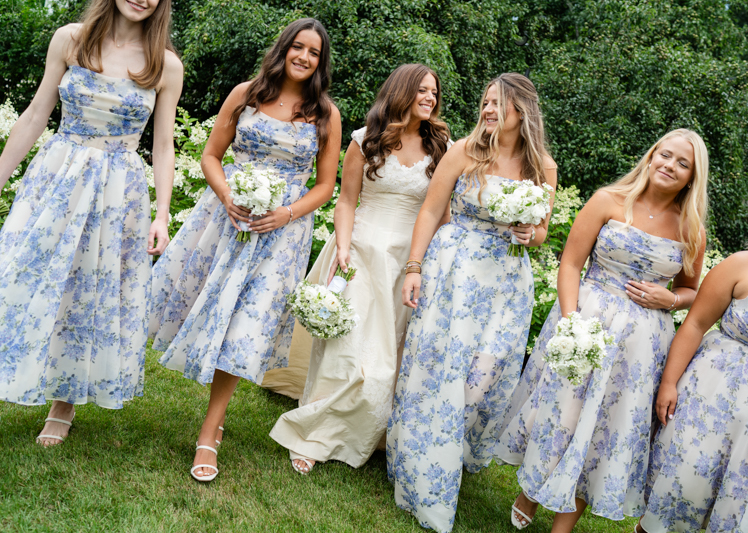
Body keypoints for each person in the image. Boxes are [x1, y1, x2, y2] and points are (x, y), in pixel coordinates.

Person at [147, 18, 341, 482]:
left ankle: (210, 431)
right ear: (284, 49)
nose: (304, 57)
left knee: (245, 325)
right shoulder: (246, 93)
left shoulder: (324, 114)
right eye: (298, 47)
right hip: (227, 217)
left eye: (314, 52)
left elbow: (326, 184)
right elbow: (211, 154)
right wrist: (228, 196)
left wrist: (287, 213)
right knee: (191, 300)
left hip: (282, 233)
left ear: (320, 62)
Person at [496, 129, 709, 532]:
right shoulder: (607, 201)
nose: (670, 166)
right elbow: (571, 263)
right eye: (665, 155)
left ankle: (564, 524)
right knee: (562, 411)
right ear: (651, 157)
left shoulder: (690, 230)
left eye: (683, 164)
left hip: (640, 345)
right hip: (585, 318)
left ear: (690, 178)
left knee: (601, 426)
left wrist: (672, 301)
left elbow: (691, 291)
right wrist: (571, 321)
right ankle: (530, 493)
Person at [0, 0, 182, 445]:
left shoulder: (165, 65)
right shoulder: (70, 39)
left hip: (118, 191)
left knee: (89, 290)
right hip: (59, 175)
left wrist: (162, 213)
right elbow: (37, 113)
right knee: (19, 271)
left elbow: (162, 145)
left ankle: (64, 403)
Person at [386, 73, 558, 533]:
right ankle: (427, 475)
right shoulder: (464, 151)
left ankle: (437, 449)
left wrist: (531, 233)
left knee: (483, 376)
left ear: (521, 112)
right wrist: (415, 267)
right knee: (440, 370)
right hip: (455, 271)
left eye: (498, 104)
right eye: (485, 102)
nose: (487, 110)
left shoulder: (543, 166)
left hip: (507, 283)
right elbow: (429, 210)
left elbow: (541, 230)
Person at [269, 64, 451, 474]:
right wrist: (345, 247)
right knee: (344, 348)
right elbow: (346, 200)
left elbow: (441, 213)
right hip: (360, 250)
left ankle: (371, 432)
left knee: (387, 358)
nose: (430, 98)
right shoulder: (365, 140)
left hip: (407, 261)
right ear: (402, 91)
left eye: (434, 93)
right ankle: (313, 433)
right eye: (422, 90)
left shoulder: (441, 147)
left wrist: (430, 264)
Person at [638, 190, 748, 533]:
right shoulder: (744, 265)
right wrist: (668, 383)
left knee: (744, 502)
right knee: (685, 489)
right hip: (713, 398)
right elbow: (695, 324)